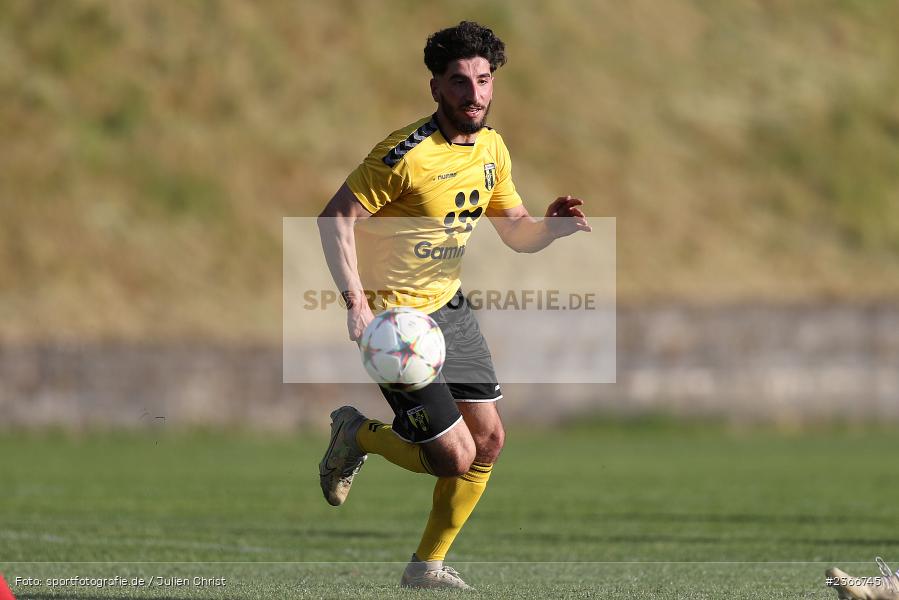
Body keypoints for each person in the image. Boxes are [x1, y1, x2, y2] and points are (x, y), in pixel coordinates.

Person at [316, 21, 590, 590]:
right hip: (396, 323)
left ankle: (426, 567)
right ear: (435, 88)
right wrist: (356, 305)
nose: (474, 93)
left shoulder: (492, 148)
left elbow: (515, 232)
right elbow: (334, 219)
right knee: (452, 459)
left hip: (450, 310)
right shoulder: (403, 155)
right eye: (459, 81)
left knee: (489, 441)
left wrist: (551, 229)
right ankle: (357, 434)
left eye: (483, 80)